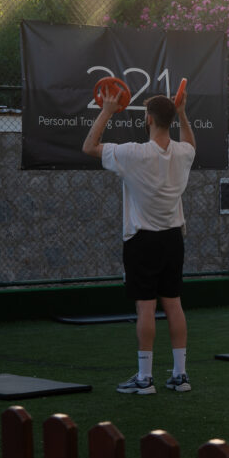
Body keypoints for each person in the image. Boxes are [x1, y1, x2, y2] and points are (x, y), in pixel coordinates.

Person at [83, 84, 196, 393]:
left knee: (146, 308)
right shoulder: (184, 153)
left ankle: (145, 379)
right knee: (173, 304)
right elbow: (190, 142)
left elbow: (89, 146)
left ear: (149, 119)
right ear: (170, 119)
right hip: (173, 239)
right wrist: (183, 113)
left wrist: (107, 110)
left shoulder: (132, 153)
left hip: (142, 241)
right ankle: (180, 375)